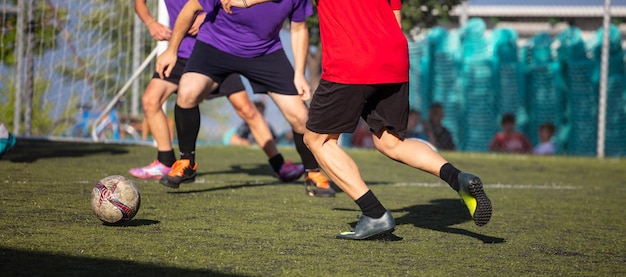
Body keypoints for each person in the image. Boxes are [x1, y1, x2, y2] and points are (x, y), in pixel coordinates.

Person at [302, 0, 492, 240]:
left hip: (352, 59)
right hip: (393, 57)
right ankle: (457, 178)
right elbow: (395, 18)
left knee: (318, 140)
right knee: (391, 142)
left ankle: (374, 214)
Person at [155, 0, 335, 197]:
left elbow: (299, 28)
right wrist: (171, 50)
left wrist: (299, 73)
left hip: (265, 52)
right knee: (188, 91)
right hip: (215, 45)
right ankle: (186, 162)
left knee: (300, 116)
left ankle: (313, 173)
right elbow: (191, 8)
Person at [129, 0, 304, 185]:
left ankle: (279, 164)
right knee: (151, 99)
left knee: (246, 110)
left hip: (216, 48)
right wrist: (150, 22)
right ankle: (166, 161)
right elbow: (139, 3)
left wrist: (206, 14)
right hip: (181, 53)